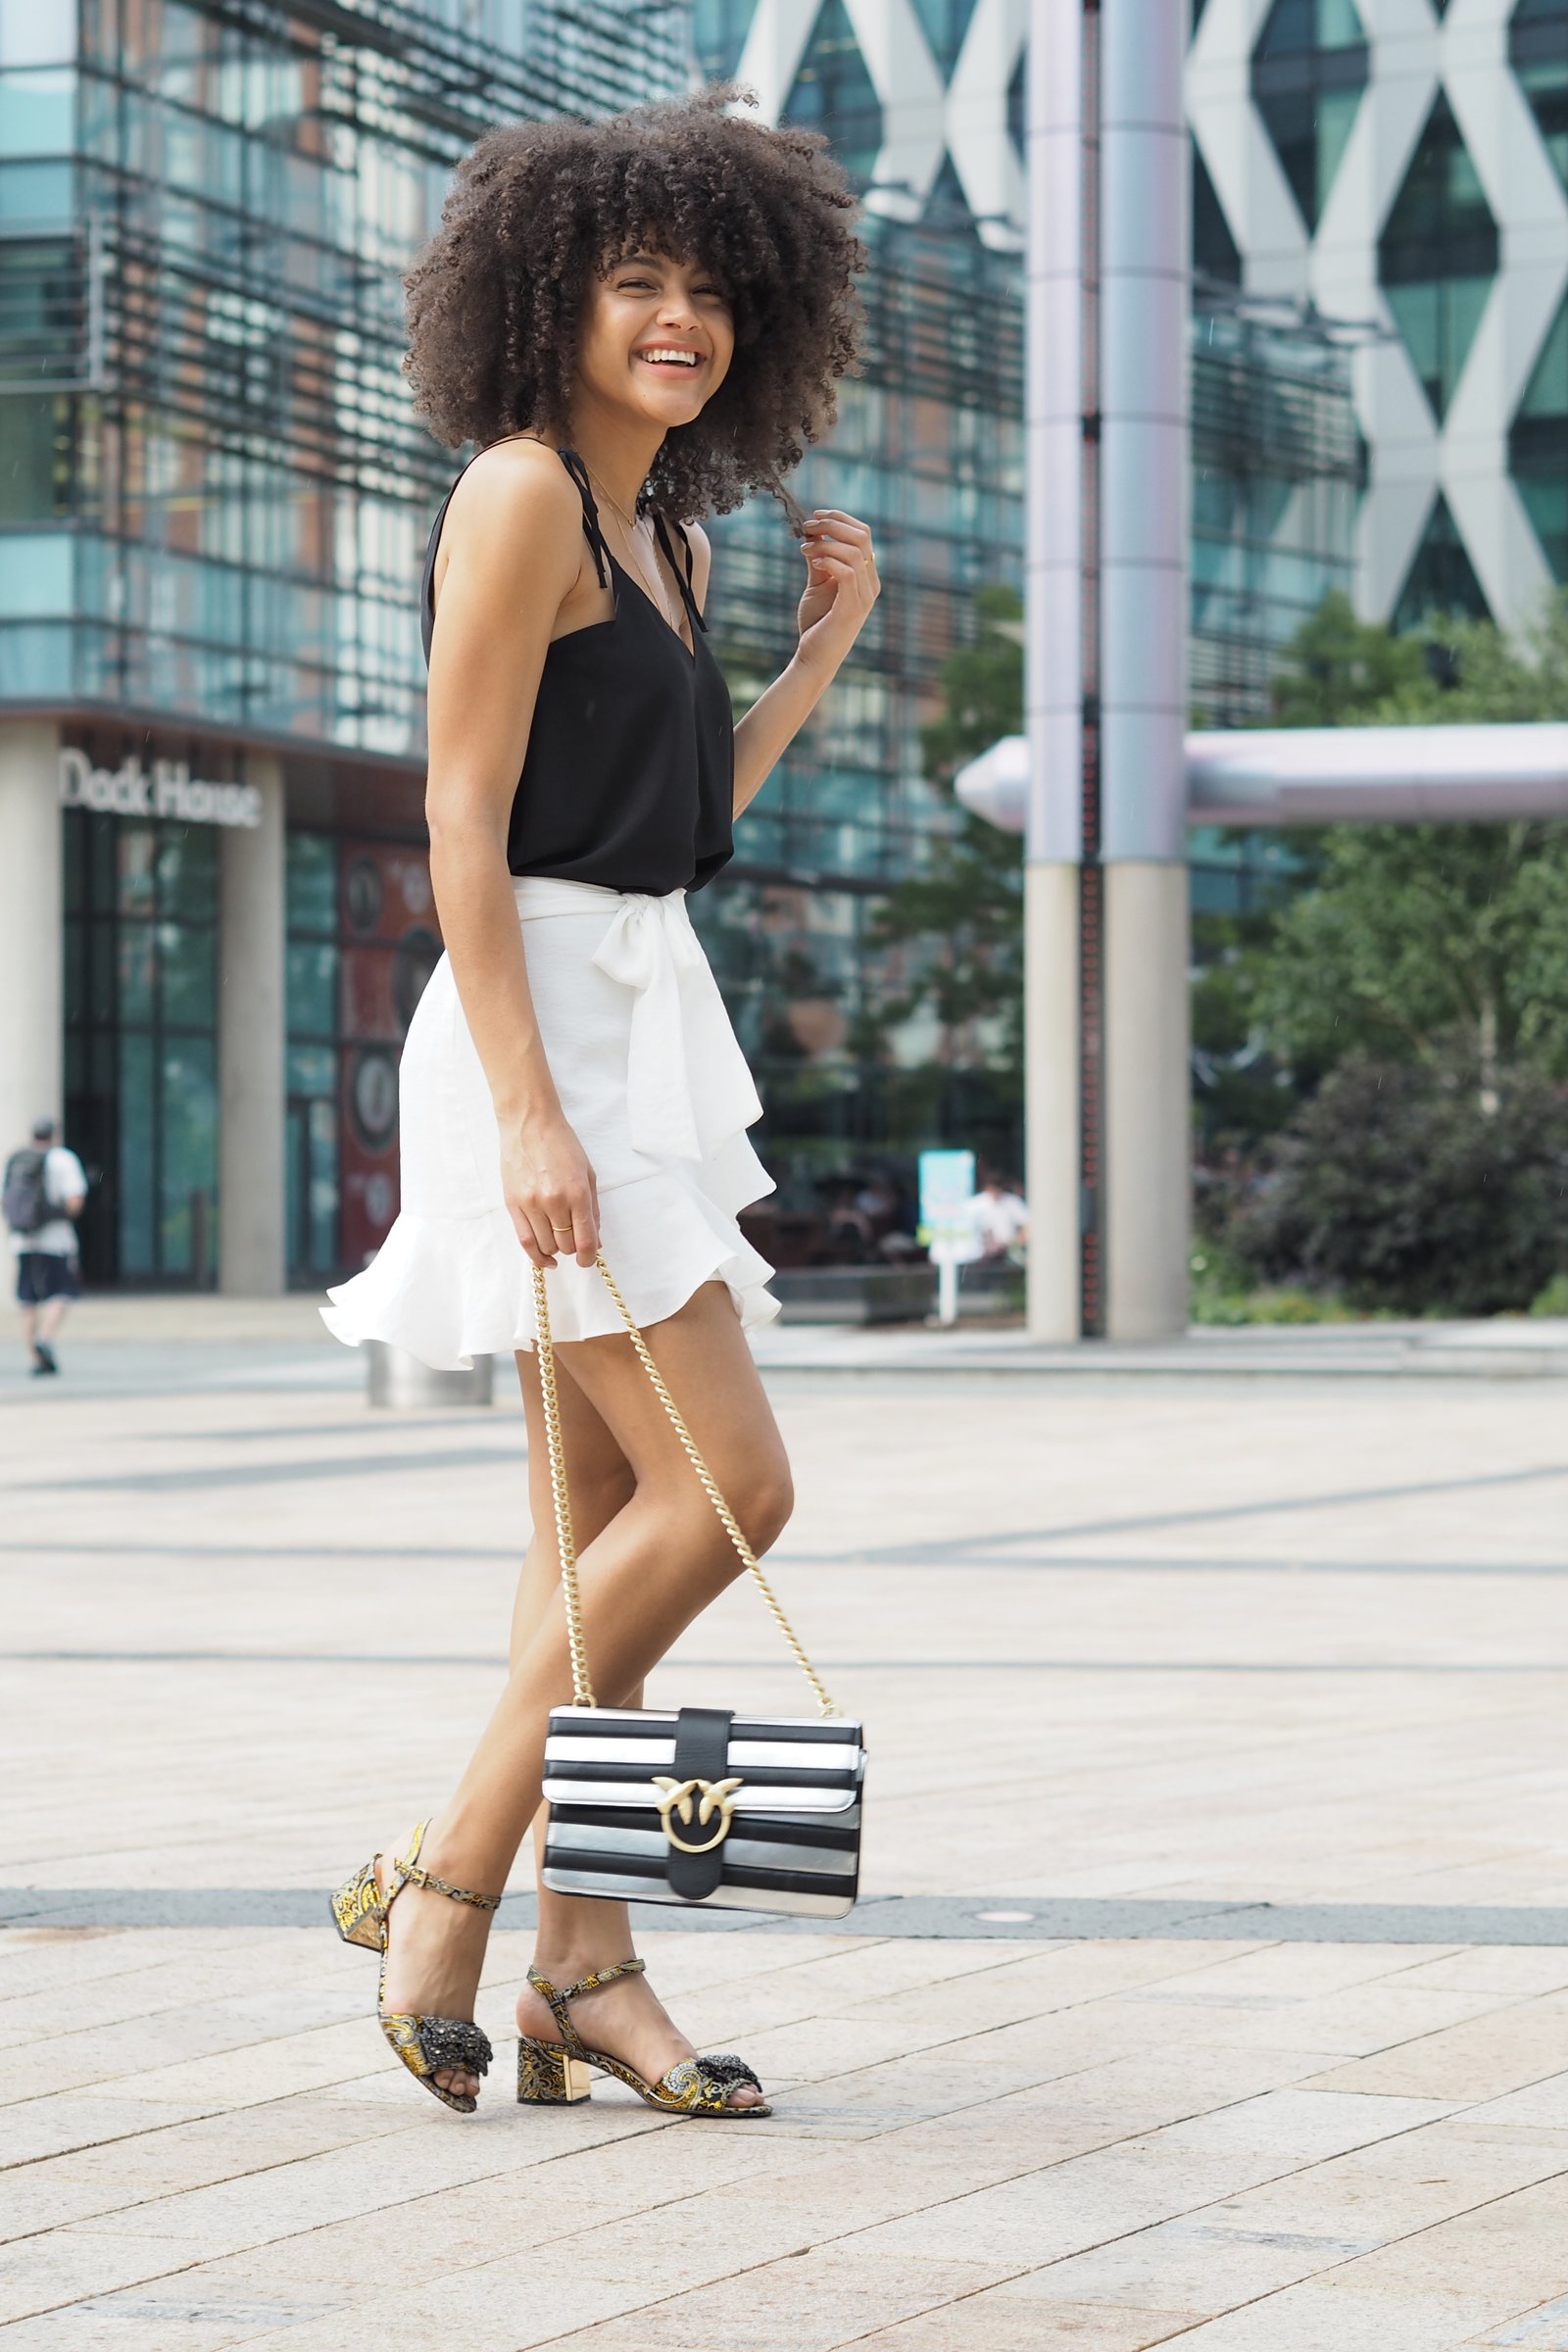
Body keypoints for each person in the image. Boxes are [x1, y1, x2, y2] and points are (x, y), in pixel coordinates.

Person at [319, 86, 876, 2120]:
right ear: (548, 298)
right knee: (732, 1485)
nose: (678, 318)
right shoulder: (518, 493)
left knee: (597, 1538)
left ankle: (587, 1967)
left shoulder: (669, 530)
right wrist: (527, 1111)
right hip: (532, 1026)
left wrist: (818, 651)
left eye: (710, 288)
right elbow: (458, 823)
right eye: (635, 280)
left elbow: (687, 815)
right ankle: (448, 1876)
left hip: (637, 1001)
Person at [6, 1118, 87, 1378]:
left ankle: (35, 1358)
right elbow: (75, 1201)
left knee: (28, 1298)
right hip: (55, 1241)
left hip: (22, 1240)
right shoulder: (63, 1159)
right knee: (62, 1291)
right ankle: (45, 1338)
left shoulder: (16, 1159)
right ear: (55, 1135)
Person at [963, 1168, 1030, 1263]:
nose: (994, 1192)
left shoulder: (1011, 1202)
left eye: (997, 1188)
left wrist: (1014, 1242)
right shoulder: (976, 1204)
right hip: (980, 1255)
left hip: (1008, 1252)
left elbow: (1027, 1224)